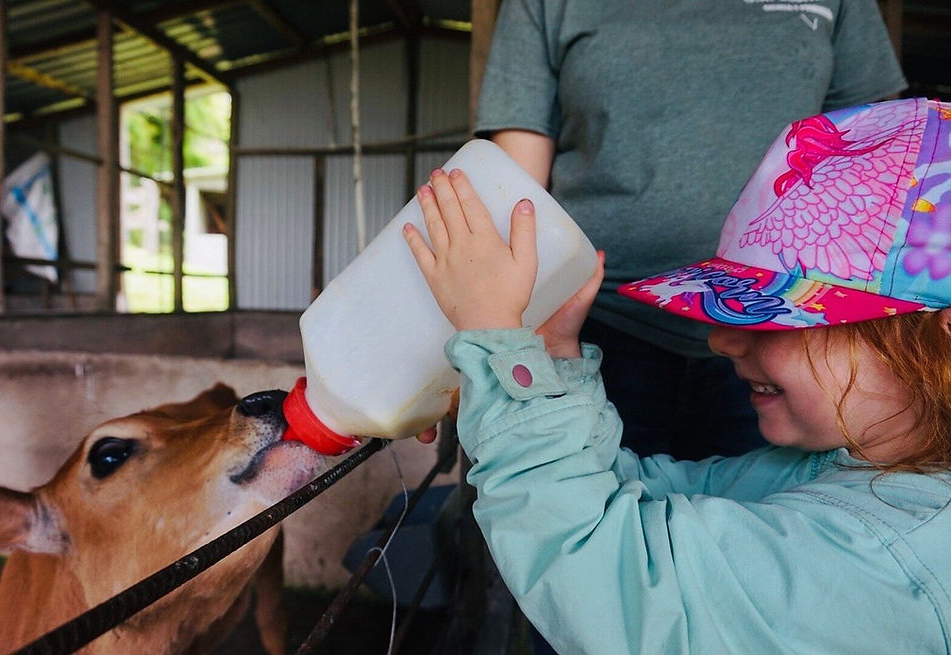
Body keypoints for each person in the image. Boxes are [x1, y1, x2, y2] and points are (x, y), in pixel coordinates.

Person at [403, 97, 951, 653]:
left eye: (778, 318)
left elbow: (612, 581)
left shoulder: (886, 555)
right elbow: (627, 500)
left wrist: (497, 341)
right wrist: (539, 367)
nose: (720, 339)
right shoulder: (844, 466)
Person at [474, 0, 908, 461]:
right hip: (597, 323)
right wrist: (490, 337)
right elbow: (516, 193)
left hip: (782, 324)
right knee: (582, 504)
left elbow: (874, 151)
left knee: (761, 520)